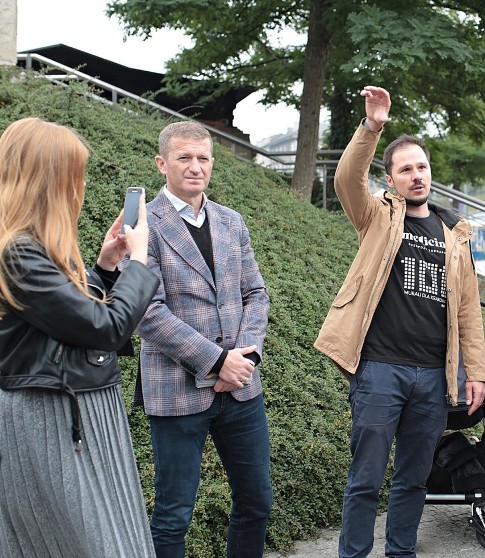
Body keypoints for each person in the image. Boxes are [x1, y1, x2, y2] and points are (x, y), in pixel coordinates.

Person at [313, 86, 485, 558]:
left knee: (412, 479)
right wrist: (372, 128)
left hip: (432, 376)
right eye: (405, 169)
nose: (416, 176)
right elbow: (347, 179)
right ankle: (353, 553)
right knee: (366, 479)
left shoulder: (454, 232)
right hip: (379, 371)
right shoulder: (377, 216)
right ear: (390, 179)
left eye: (422, 167)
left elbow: (469, 310)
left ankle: (401, 552)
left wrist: (477, 374)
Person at [0, 117, 159, 557]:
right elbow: (104, 328)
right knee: (89, 544)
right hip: (52, 417)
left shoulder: (28, 246)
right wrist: (140, 261)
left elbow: (68, 314)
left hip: (71, 411)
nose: (80, 186)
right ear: (48, 180)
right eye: (74, 174)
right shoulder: (17, 252)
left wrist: (106, 268)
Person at [134, 121, 272, 558]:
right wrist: (217, 361)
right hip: (175, 392)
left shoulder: (232, 222)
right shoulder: (142, 225)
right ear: (162, 163)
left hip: (241, 389)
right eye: (184, 158)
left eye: (203, 158)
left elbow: (256, 293)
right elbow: (146, 310)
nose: (195, 167)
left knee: (256, 504)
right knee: (174, 515)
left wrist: (243, 357)